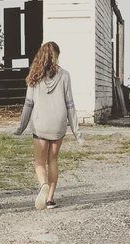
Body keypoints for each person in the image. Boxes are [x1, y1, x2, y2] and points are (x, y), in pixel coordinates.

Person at [15, 41, 83, 210]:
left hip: (40, 124)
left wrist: (21, 127)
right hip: (58, 123)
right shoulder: (65, 75)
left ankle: (43, 185)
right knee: (53, 159)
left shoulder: (34, 75)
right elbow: (70, 105)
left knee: (39, 161)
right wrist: (77, 132)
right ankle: (50, 199)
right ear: (57, 56)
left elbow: (28, 104)